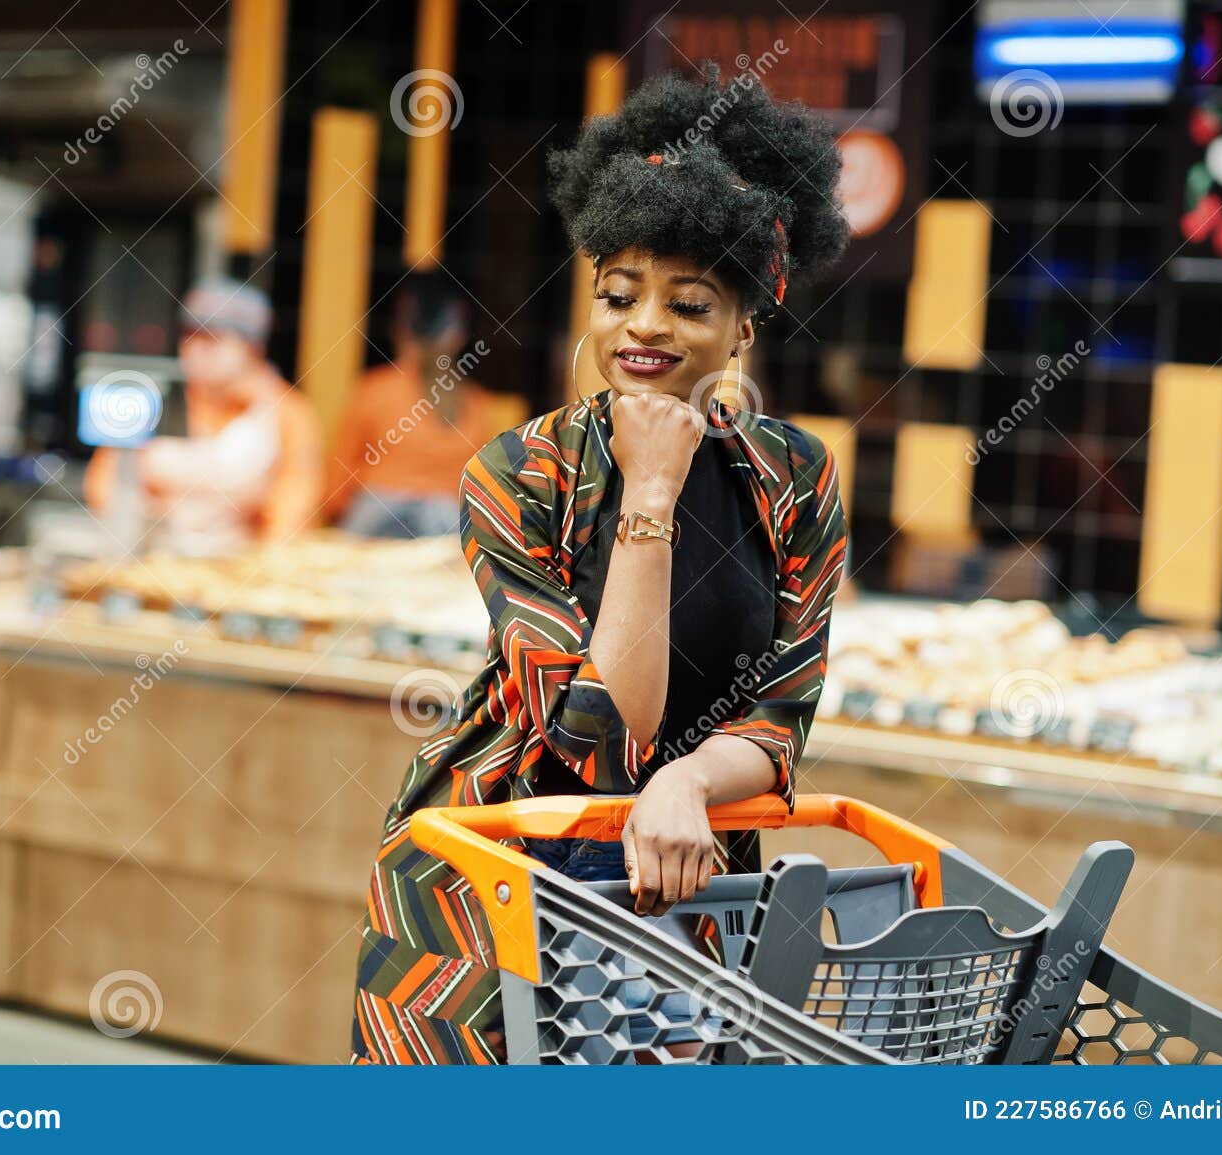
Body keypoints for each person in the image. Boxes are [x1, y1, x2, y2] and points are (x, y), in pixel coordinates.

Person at [350, 66, 850, 1064]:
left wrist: (686, 787)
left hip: (688, 878)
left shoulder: (795, 476)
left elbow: (779, 720)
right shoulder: (516, 470)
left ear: (745, 321)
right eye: (619, 294)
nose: (646, 325)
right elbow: (599, 740)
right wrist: (651, 497)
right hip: (486, 883)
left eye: (690, 302)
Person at [84, 279, 321, 555]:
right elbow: (104, 483)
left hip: (237, 569)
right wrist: (152, 516)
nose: (196, 351)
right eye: (189, 337)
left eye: (212, 340)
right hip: (155, 562)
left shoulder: (288, 414)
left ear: (252, 349)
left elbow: (294, 508)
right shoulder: (156, 404)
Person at [324, 268, 495, 538]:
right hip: (449, 539)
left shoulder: (374, 391)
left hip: (373, 534)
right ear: (459, 335)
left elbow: (336, 490)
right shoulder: (478, 405)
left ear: (400, 328)